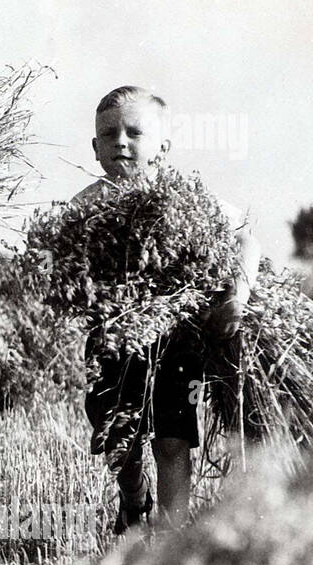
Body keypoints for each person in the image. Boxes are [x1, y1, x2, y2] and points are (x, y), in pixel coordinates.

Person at [75, 85, 260, 532]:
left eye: (135, 132)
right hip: (112, 339)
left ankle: (173, 534)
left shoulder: (186, 201)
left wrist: (238, 294)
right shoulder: (86, 206)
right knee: (119, 435)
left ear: (163, 147)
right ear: (95, 147)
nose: (121, 141)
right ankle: (134, 498)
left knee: (174, 440)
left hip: (178, 338)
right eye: (109, 133)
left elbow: (245, 238)